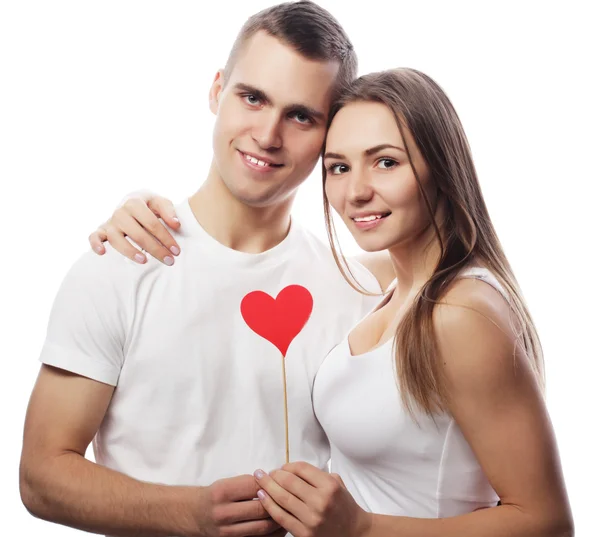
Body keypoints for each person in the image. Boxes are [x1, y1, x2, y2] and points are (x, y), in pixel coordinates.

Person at [97, 69, 574, 536]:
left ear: (441, 166)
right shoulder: (392, 284)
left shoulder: (461, 313)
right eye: (339, 168)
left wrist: (362, 528)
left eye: (386, 162)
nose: (356, 191)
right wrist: (144, 209)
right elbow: (253, 268)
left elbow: (546, 523)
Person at [19, 3, 392, 537]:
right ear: (217, 90)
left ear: (330, 133)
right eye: (253, 97)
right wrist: (189, 514)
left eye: (301, 115)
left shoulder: (359, 294)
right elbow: (40, 476)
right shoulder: (120, 265)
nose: (267, 134)